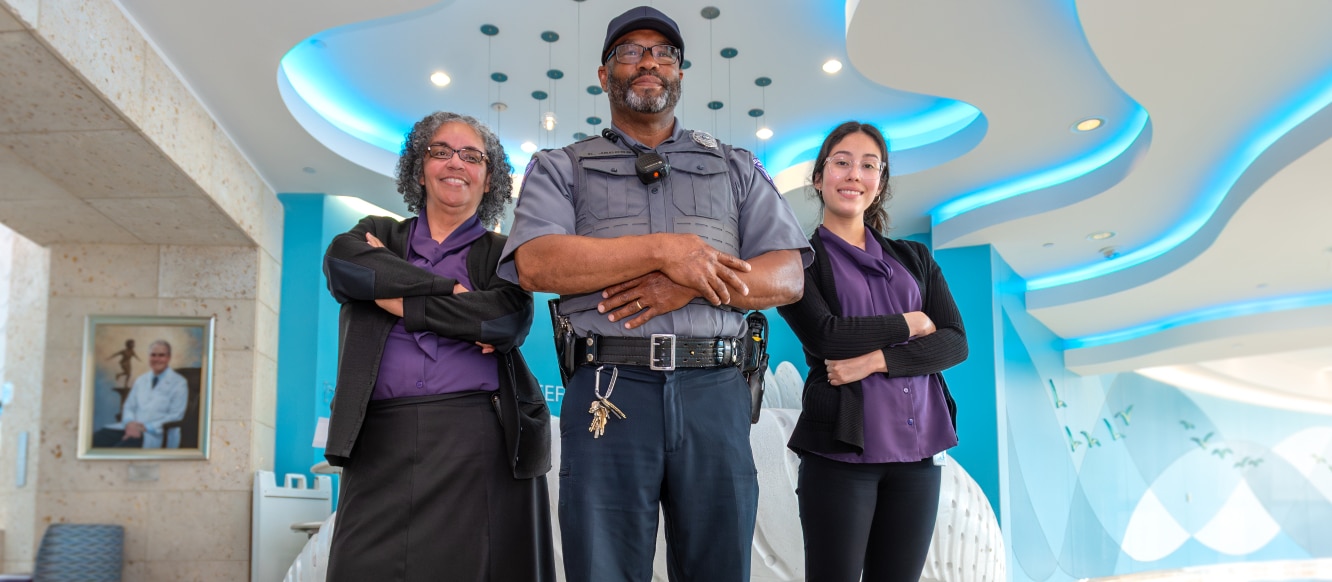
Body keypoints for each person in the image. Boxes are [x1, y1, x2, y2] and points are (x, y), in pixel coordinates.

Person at [499, 6, 812, 581]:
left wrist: (687, 284)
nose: (649, 62)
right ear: (604, 74)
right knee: (603, 568)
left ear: (679, 73)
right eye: (630, 51)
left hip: (715, 390)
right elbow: (537, 263)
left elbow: (787, 276)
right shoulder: (561, 167)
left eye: (664, 53)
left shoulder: (735, 167)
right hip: (608, 388)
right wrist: (666, 250)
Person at [321, 111, 555, 581]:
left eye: (472, 156)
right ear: (419, 169)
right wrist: (451, 293)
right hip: (380, 437)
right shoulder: (376, 233)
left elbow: (503, 321)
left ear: (489, 180)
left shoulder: (504, 253)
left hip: (479, 438)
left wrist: (393, 296)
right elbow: (342, 265)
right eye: (441, 151)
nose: (455, 163)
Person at [776, 121, 969, 582]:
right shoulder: (799, 261)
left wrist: (875, 361)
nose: (854, 175)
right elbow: (826, 336)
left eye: (868, 166)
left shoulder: (915, 258)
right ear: (819, 177)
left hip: (918, 456)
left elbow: (954, 341)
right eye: (842, 163)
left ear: (879, 183)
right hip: (841, 457)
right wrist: (911, 323)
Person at [92, 340, 188, 448]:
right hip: (129, 428)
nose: (156, 359)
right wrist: (129, 423)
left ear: (168, 357)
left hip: (155, 434)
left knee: (118, 450)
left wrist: (144, 427)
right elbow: (129, 406)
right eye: (153, 355)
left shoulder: (179, 383)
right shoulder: (141, 380)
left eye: (161, 355)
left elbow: (175, 416)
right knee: (96, 439)